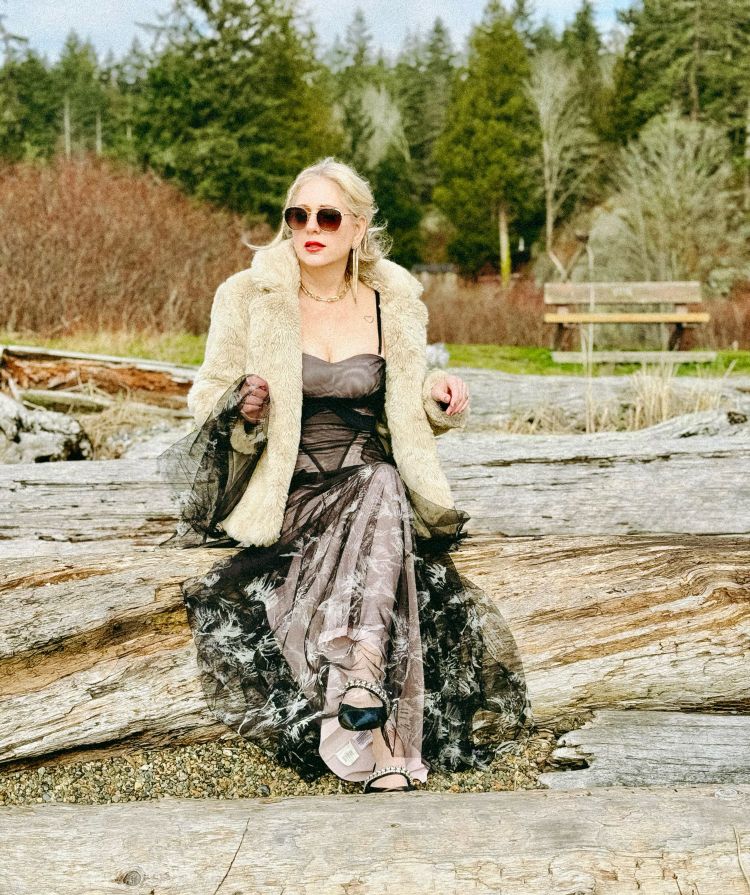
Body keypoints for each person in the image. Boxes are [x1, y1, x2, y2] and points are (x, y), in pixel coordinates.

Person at [158, 157, 533, 793]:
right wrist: (243, 407)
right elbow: (207, 399)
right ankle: (377, 728)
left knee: (381, 483)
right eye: (297, 215)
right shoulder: (247, 297)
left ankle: (360, 688)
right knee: (381, 506)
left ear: (357, 228)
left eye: (327, 217)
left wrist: (439, 397)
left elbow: (410, 400)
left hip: (365, 479)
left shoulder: (394, 301)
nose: (311, 227)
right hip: (284, 494)